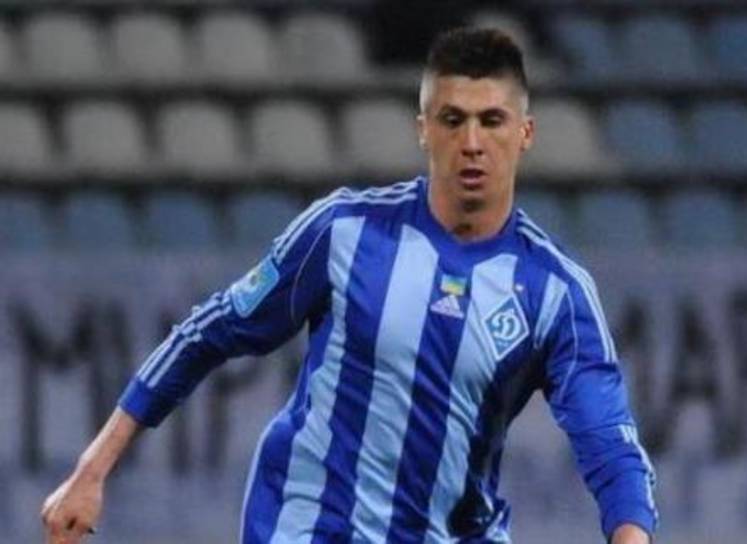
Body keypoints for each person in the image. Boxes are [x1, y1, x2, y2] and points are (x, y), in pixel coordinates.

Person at [42, 27, 658, 544]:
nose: (472, 143)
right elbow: (211, 332)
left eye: (492, 121)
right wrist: (92, 469)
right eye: (453, 120)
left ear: (525, 133)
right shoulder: (344, 232)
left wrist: (632, 536)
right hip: (310, 528)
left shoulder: (555, 292)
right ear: (423, 129)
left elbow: (609, 443)